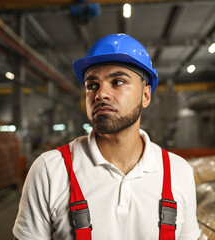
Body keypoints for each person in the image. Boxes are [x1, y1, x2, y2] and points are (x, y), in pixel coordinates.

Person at [13, 33, 201, 240]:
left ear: (145, 96)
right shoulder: (50, 171)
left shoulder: (178, 172)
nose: (100, 94)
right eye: (92, 85)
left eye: (118, 81)